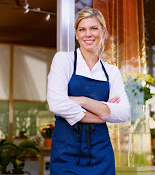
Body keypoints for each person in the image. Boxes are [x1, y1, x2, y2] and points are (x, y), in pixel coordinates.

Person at [47, 7, 130, 175]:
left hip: (101, 154)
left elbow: (124, 112)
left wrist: (83, 100)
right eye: (82, 29)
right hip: (66, 153)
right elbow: (56, 104)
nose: (88, 34)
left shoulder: (111, 71)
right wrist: (102, 114)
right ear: (77, 35)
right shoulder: (64, 60)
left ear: (104, 33)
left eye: (94, 28)